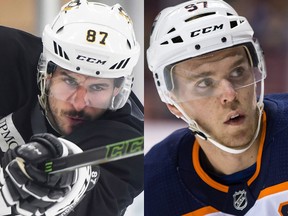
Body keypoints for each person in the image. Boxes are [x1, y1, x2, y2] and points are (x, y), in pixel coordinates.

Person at [0, 0, 143, 216]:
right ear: (46, 75)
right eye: (70, 81)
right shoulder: (7, 56)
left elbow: (95, 198)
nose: (79, 102)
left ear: (117, 90)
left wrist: (71, 178)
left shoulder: (130, 142)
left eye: (97, 87)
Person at [145, 0, 288, 215]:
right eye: (204, 83)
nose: (229, 94)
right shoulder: (153, 187)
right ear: (172, 103)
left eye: (238, 72)